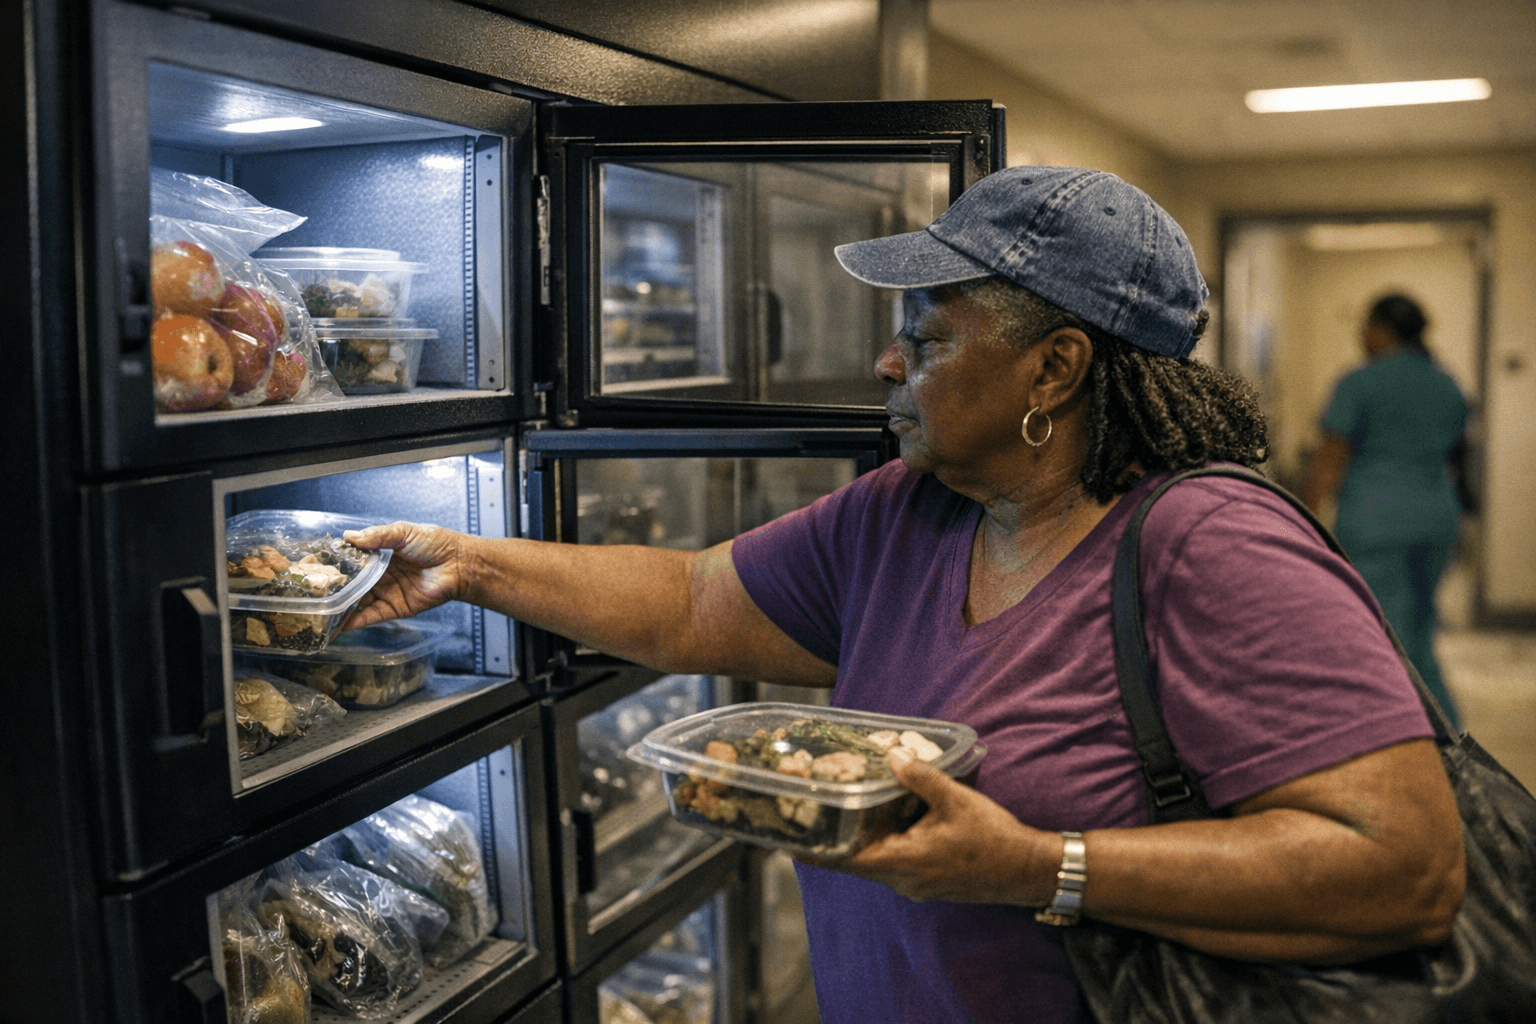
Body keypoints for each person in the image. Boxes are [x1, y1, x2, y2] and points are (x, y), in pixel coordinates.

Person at [341, 166, 1465, 1024]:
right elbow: (688, 599)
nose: (887, 365)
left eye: (923, 337)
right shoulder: (908, 511)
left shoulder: (1209, 545)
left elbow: (1406, 866)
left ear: (1054, 369)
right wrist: (470, 563)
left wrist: (1041, 866)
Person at [1303, 293, 1470, 727]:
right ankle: (1445, 734)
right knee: (1417, 630)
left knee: (1379, 635)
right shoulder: (1447, 383)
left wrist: (1304, 518)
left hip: (1376, 519)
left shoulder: (1360, 382)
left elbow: (1329, 459)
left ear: (1382, 329)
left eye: (1366, 325)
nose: (1361, 334)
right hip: (1435, 516)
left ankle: (1394, 737)